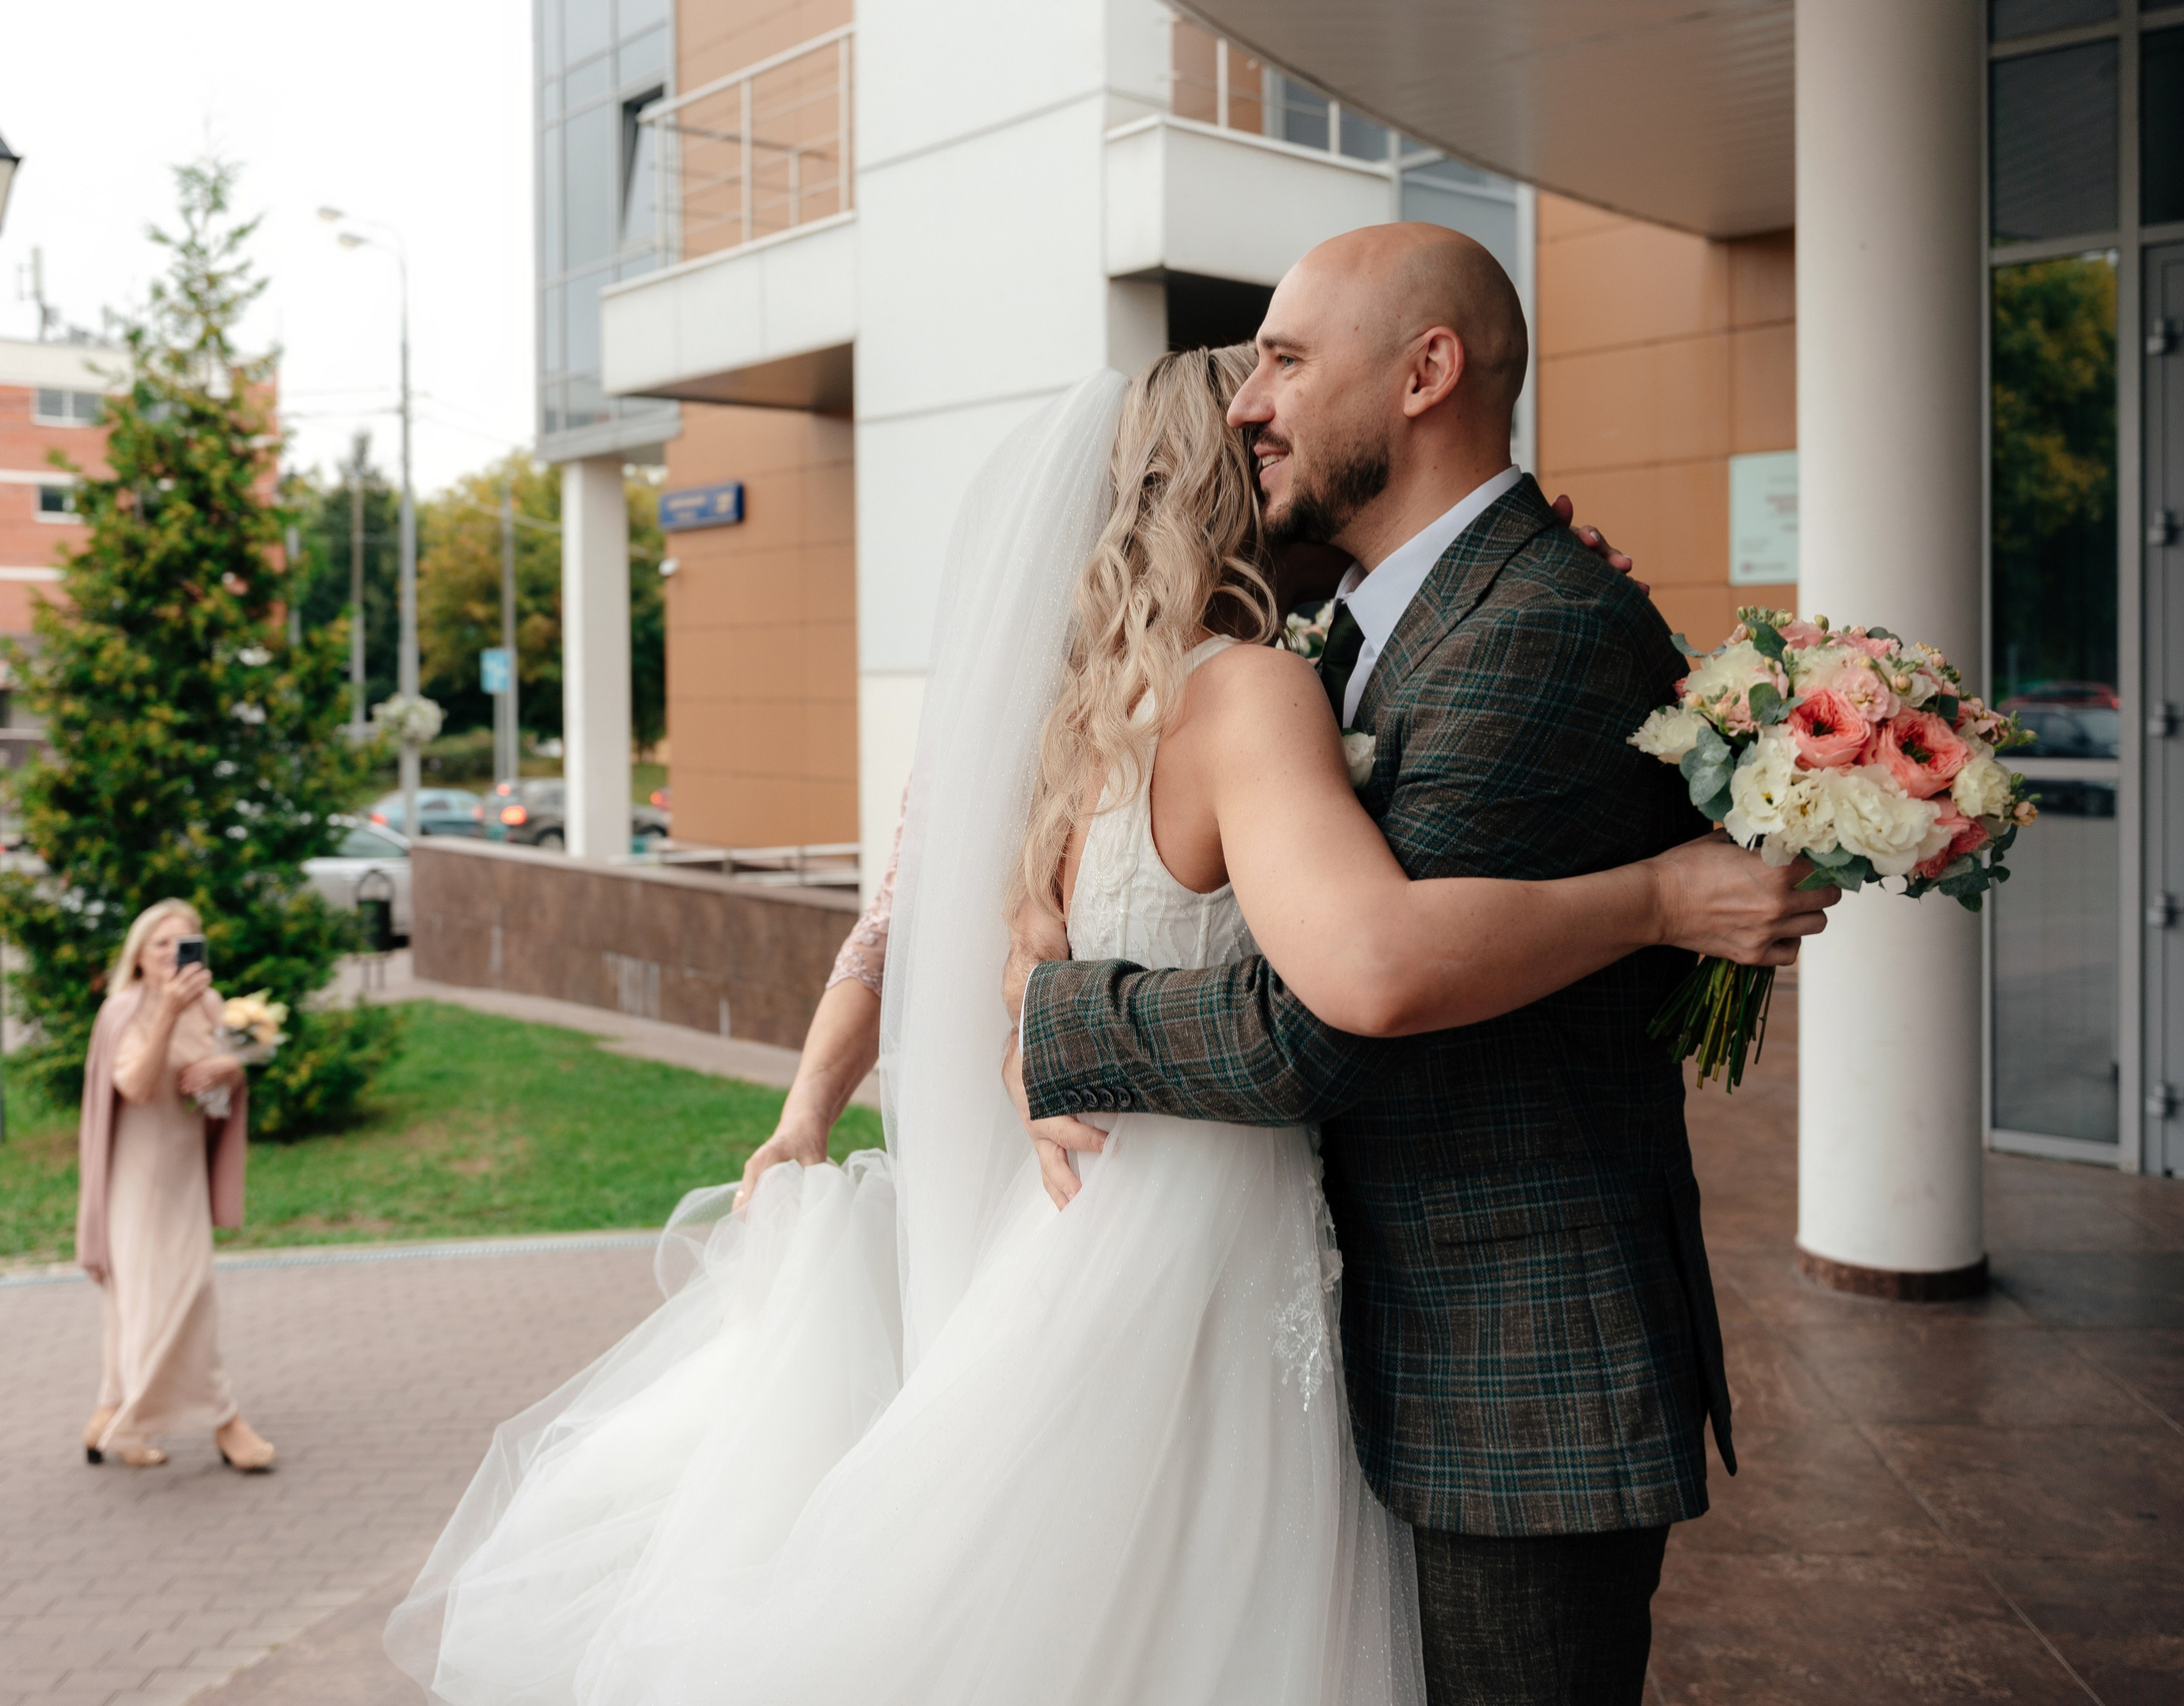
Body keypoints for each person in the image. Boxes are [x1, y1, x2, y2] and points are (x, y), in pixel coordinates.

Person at [388, 317, 1829, 1700]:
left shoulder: (1081, 711)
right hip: (1214, 1235)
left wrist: (1020, 1025)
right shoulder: (1259, 690)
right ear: (1233, 485)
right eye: (1257, 407)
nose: (1272, 418)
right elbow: (1359, 974)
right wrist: (1661, 896)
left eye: (1288, 372)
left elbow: (953, 929)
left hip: (1100, 1228)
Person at [1010, 225, 1802, 1703]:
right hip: (1375, 1339)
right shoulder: (1353, 629)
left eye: (1286, 361)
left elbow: (1327, 1022)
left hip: (1513, 1381)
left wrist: (1055, 1024)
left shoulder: (1539, 628)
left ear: (1427, 372)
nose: (1250, 404)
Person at [735, 510, 1643, 1209]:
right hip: (1123, 1165)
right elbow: (897, 920)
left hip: (1206, 1178)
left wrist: (1514, 565)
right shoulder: (1049, 715)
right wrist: (810, 1112)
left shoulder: (1280, 659)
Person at [75, 899, 276, 1472]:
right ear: (138, 955)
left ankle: (111, 1416)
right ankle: (225, 1421)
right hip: (134, 1178)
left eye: (182, 943)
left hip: (184, 1171)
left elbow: (212, 1098)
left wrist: (230, 1069)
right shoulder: (122, 1010)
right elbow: (137, 1087)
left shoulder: (210, 1004)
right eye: (159, 943)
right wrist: (166, 1010)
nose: (171, 954)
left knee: (185, 1292)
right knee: (150, 1299)